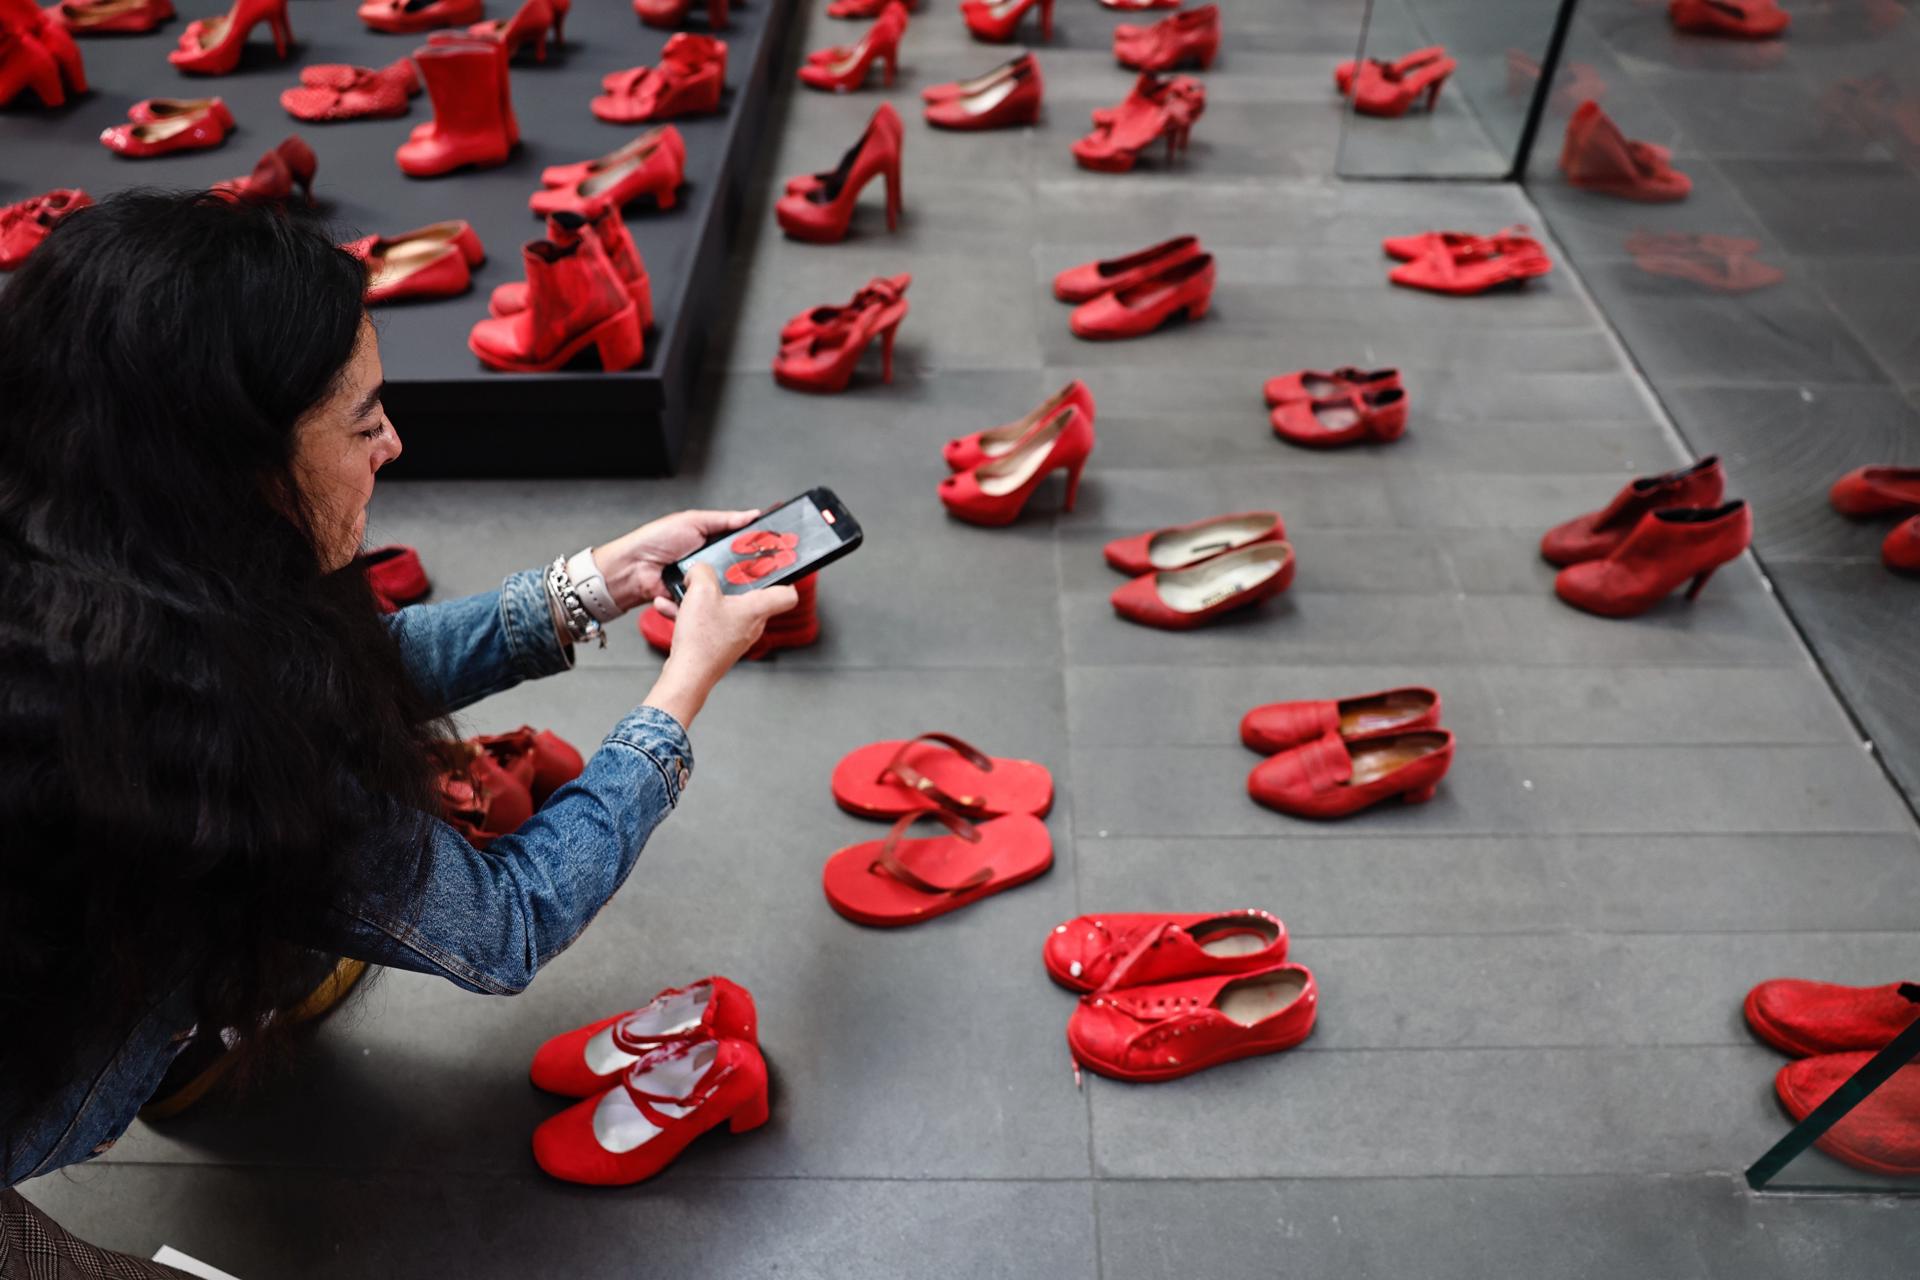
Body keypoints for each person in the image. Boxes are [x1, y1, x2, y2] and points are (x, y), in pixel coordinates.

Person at [0, 191, 796, 1254]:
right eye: (364, 421)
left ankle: (176, 1036)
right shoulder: (217, 745)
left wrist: (590, 583)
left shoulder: (101, 574)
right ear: (235, 465)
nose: (397, 442)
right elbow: (505, 921)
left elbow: (329, 677)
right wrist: (679, 695)